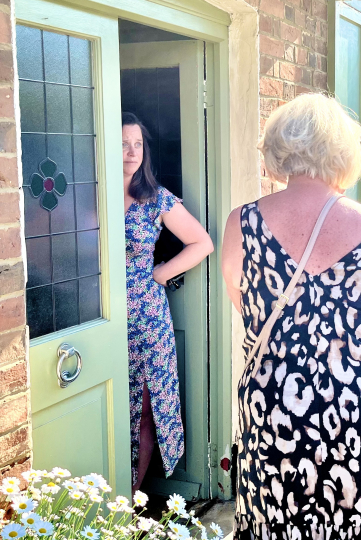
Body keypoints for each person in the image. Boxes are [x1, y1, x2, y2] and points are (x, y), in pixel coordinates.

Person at [221, 94, 361, 539]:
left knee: (285, 521)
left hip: (278, 405)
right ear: (344, 153)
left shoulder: (242, 223)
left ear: (279, 149)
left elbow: (245, 305)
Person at [122, 112, 214, 491]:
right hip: (102, 316)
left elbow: (202, 243)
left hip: (147, 317)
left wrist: (160, 273)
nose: (131, 152)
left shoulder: (156, 198)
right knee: (114, 406)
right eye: (123, 144)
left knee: (145, 409)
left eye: (137, 144)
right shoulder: (90, 191)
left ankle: (128, 500)